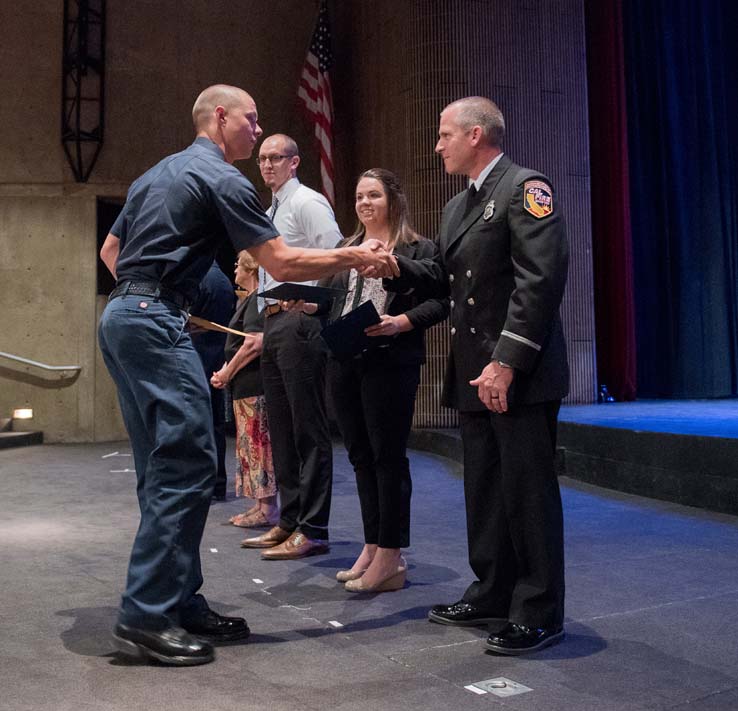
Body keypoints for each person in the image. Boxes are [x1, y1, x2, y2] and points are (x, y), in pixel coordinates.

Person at [97, 84, 397, 667]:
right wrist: (353, 256)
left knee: (164, 468)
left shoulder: (155, 173)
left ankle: (179, 601)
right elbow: (282, 262)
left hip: (122, 317)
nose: (258, 132)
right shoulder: (222, 179)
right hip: (153, 322)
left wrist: (152, 296)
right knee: (187, 467)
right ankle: (145, 615)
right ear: (219, 117)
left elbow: (112, 250)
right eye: (252, 120)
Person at [384, 97, 569, 654]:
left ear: (477, 134)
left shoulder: (525, 188)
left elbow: (539, 281)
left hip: (516, 371)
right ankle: (492, 592)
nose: (437, 145)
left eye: (444, 135)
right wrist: (392, 265)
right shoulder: (458, 205)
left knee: (527, 492)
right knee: (485, 489)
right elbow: (443, 276)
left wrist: (506, 361)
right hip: (472, 370)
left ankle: (539, 610)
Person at [320, 168, 448, 593]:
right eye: (359, 196)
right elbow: (334, 299)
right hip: (346, 359)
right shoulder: (346, 248)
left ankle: (392, 554)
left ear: (393, 199)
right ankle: (372, 544)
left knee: (387, 458)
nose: (364, 203)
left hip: (390, 360)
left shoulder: (418, 247)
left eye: (373, 195)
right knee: (359, 456)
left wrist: (403, 322)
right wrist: (311, 307)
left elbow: (441, 301)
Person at [240, 134, 342, 561]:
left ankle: (314, 528)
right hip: (273, 321)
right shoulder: (272, 210)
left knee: (307, 429)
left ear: (294, 162)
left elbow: (337, 253)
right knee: (281, 429)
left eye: (275, 158)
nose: (267, 165)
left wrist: (313, 300)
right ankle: (290, 519)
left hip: (299, 319)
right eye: (262, 158)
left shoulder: (308, 202)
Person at [210, 252, 278, 530]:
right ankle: (260, 505)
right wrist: (225, 370)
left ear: (250, 268)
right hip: (244, 386)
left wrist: (227, 371)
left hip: (255, 385)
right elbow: (238, 344)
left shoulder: (257, 298)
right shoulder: (249, 299)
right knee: (249, 447)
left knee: (259, 447)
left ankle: (268, 509)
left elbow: (253, 343)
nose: (234, 268)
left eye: (238, 264)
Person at [189, 261, 236, 501]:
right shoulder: (223, 280)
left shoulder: (201, 280)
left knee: (198, 426)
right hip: (217, 358)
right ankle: (216, 484)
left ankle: (204, 483)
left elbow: (188, 320)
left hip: (198, 360)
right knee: (215, 425)